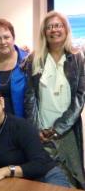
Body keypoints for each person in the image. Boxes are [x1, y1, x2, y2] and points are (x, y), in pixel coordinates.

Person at [24, 11, 85, 188]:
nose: (54, 30)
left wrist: (58, 128)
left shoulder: (77, 58)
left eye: (58, 25)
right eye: (49, 27)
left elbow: (80, 97)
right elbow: (30, 97)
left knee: (73, 177)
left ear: (65, 29)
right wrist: (37, 130)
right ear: (44, 32)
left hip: (67, 129)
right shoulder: (34, 58)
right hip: (42, 131)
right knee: (46, 177)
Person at [0, 85, 70, 187]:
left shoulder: (21, 126)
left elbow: (40, 164)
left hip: (46, 177)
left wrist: (6, 170)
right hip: (17, 182)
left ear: (2, 102)